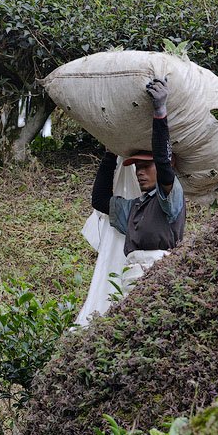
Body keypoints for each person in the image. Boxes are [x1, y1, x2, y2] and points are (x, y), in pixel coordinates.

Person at [73, 78, 185, 326]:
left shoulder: (169, 201)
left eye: (146, 166)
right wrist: (110, 153)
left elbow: (164, 166)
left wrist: (160, 113)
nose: (139, 172)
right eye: (136, 168)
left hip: (160, 275)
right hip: (130, 280)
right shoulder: (135, 209)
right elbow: (100, 200)